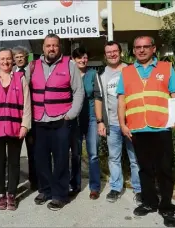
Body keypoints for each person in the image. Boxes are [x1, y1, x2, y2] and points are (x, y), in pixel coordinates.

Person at [116, 36, 175, 227]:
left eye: (146, 47)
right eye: (138, 47)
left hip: (162, 127)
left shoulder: (166, 68)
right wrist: (122, 124)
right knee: (144, 169)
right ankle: (149, 203)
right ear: (133, 50)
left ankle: (166, 208)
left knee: (164, 169)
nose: (142, 50)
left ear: (154, 49)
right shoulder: (126, 72)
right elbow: (121, 100)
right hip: (137, 128)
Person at [31, 34, 84, 211]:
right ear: (43, 48)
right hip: (39, 120)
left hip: (61, 120)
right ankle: (45, 190)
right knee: (41, 159)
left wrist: (71, 114)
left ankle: (60, 195)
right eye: (48, 46)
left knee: (61, 159)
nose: (51, 49)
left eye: (54, 45)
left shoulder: (70, 65)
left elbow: (78, 91)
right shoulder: (33, 66)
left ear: (59, 47)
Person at [0, 48, 31, 211]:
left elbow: (27, 104)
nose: (5, 62)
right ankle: (1, 194)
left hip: (16, 128)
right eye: (2, 59)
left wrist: (25, 125)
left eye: (8, 58)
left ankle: (11, 194)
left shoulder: (20, 78)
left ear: (13, 60)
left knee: (14, 163)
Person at [94, 41, 142, 205]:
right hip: (112, 124)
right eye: (109, 52)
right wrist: (100, 121)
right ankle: (115, 187)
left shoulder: (132, 69)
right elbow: (98, 98)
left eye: (115, 51)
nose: (112, 54)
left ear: (120, 52)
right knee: (114, 157)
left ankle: (139, 189)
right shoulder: (101, 74)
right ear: (105, 55)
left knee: (135, 158)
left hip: (132, 122)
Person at [70, 47, 101, 199]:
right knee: (75, 154)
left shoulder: (93, 74)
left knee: (93, 154)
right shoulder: (69, 74)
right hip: (74, 119)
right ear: (74, 60)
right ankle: (74, 185)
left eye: (85, 57)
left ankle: (94, 187)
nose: (83, 60)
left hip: (91, 118)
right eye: (79, 58)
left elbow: (98, 97)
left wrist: (101, 120)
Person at [12, 45, 38, 191]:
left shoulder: (32, 71)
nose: (20, 59)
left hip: (31, 118)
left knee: (32, 152)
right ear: (14, 59)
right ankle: (13, 184)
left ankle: (35, 181)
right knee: (14, 153)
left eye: (22, 56)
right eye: (17, 57)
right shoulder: (11, 73)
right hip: (15, 118)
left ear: (26, 57)